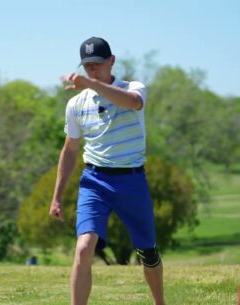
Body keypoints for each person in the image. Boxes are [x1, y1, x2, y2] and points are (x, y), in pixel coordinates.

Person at [49, 37, 165, 305]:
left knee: (147, 252)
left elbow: (132, 102)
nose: (92, 69)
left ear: (112, 61)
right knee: (83, 247)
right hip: (95, 181)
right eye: (87, 65)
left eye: (97, 64)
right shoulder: (76, 104)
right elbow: (69, 150)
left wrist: (91, 84)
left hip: (132, 181)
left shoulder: (133, 88)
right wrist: (57, 196)